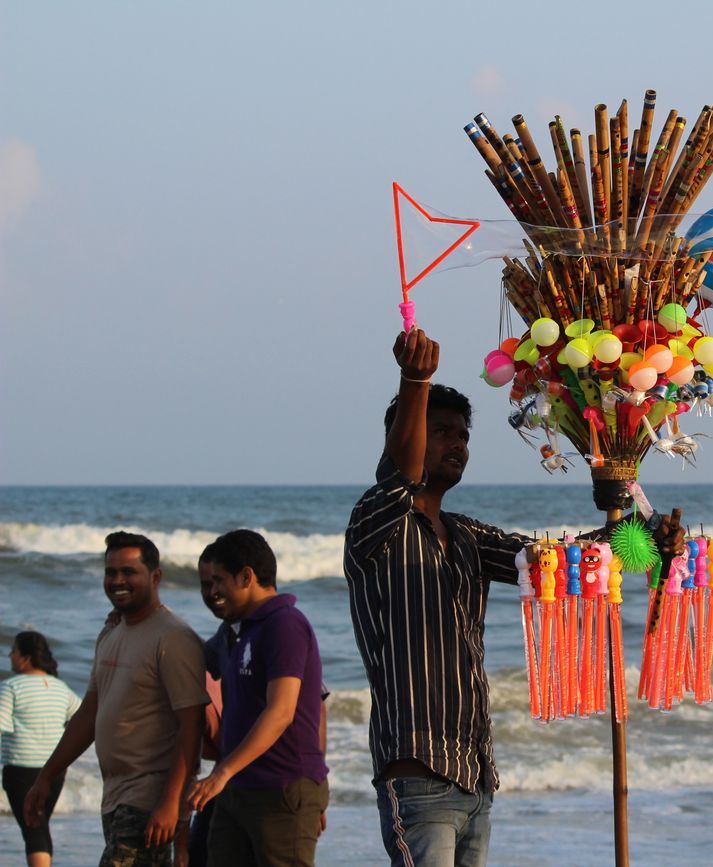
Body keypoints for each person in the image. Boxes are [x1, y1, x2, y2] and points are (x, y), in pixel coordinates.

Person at [344, 330, 657, 867]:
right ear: (407, 436)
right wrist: (415, 380)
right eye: (440, 433)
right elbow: (401, 474)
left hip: (475, 778)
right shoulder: (376, 524)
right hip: (417, 773)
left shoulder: (465, 535)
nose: (456, 445)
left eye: (462, 436)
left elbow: (559, 559)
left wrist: (643, 533)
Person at [24, 531, 208, 865]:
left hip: (149, 799)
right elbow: (89, 714)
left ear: (155, 577)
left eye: (129, 572)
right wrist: (46, 776)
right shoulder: (111, 632)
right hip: (115, 796)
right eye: (111, 572)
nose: (117, 580)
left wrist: (170, 802)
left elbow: (191, 726)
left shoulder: (173, 638)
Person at [186, 529, 329, 865]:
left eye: (217, 582)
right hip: (237, 790)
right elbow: (188, 656)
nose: (210, 594)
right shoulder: (233, 632)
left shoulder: (285, 624)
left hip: (282, 787)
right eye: (205, 585)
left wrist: (311, 791)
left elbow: (283, 711)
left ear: (247, 576)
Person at [0, 632, 80, 867]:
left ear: (25, 657)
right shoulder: (60, 688)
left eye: (13, 651)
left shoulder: (11, 687)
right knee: (39, 826)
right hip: (55, 771)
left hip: (21, 770)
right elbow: (82, 718)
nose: (10, 656)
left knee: (33, 830)